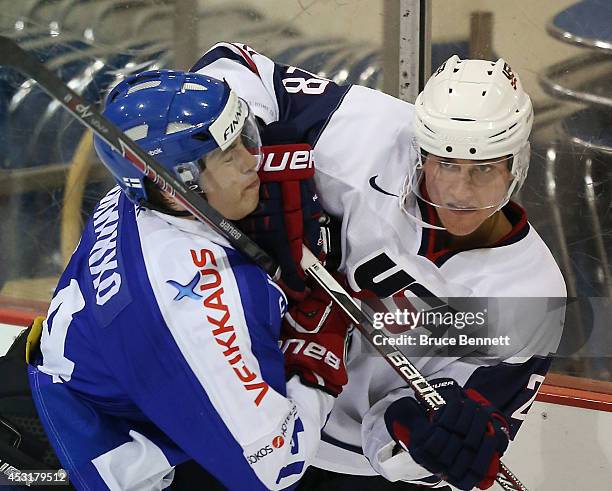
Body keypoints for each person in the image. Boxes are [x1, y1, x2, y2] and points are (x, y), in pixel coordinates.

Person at [191, 43, 567, 490]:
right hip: (239, 402)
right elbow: (232, 61)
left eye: (484, 169)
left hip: (343, 467)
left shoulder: (529, 295)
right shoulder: (366, 133)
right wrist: (259, 161)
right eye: (445, 165)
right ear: (421, 150)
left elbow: (454, 446)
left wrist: (414, 434)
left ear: (515, 166)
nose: (460, 193)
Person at [25, 70, 351, 490]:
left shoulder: (130, 195)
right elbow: (276, 469)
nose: (252, 161)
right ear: (178, 183)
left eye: (243, 138)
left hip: (61, 398)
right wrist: (313, 371)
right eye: (227, 154)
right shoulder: (196, 306)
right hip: (74, 461)